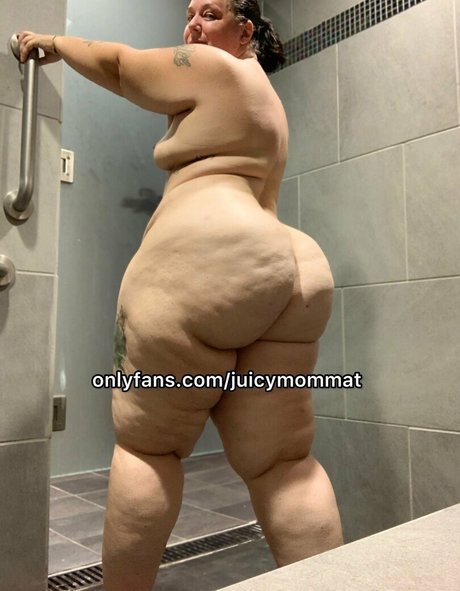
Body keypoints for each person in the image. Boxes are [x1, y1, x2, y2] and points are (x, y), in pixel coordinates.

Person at [18, 1, 343, 589]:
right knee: (284, 465)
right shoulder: (267, 101)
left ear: (244, 31)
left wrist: (53, 43)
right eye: (189, 12)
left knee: (148, 451)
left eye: (210, 13)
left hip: (204, 254)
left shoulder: (215, 68)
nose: (192, 25)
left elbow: (121, 67)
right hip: (295, 268)